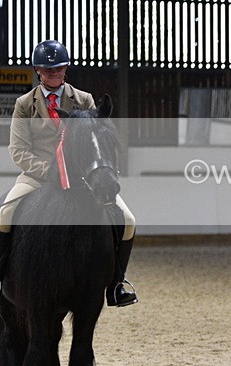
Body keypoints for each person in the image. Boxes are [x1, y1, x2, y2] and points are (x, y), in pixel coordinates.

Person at [0, 40, 138, 306]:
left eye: (59, 69)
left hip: (82, 179)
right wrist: (49, 171)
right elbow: (18, 150)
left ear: (66, 69)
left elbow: (98, 139)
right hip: (37, 177)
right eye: (48, 70)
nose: (54, 74)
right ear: (38, 71)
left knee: (128, 219)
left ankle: (117, 284)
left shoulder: (83, 100)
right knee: (4, 213)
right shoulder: (24, 104)